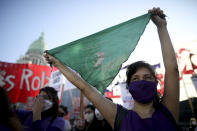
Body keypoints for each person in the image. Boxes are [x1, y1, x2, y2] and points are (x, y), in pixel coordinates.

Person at [44, 7, 179, 131]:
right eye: (136, 78)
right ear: (129, 86)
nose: (141, 81)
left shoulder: (168, 110)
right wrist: (58, 63)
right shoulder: (119, 116)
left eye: (147, 77)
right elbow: (86, 88)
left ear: (155, 83)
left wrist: (161, 27)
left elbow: (172, 67)